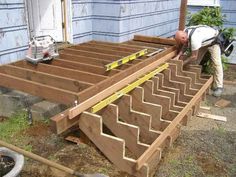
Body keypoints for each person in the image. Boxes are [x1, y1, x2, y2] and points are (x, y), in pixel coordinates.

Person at [175, 25, 223, 97]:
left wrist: (182, 63)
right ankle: (192, 79)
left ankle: (219, 87)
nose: (181, 43)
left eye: (180, 41)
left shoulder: (194, 39)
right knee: (195, 62)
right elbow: (185, 45)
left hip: (213, 42)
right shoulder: (186, 31)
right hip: (202, 41)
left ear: (183, 37)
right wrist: (178, 56)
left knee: (216, 64)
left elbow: (194, 56)